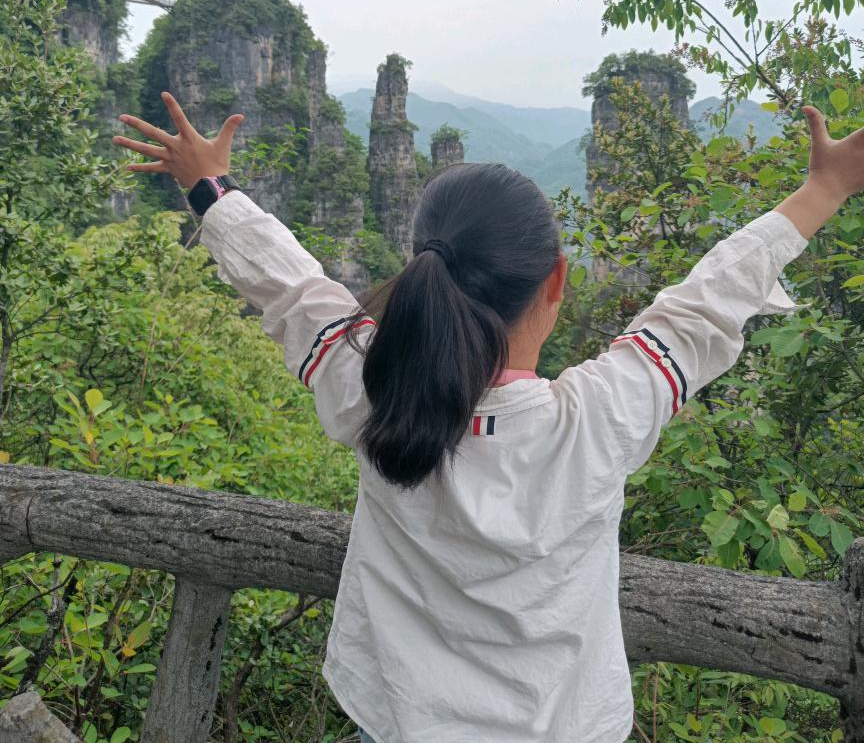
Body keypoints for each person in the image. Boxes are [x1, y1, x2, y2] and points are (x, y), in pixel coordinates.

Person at [113, 92, 863, 743]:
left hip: (397, 719)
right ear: (557, 282)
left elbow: (287, 285)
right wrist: (822, 189)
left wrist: (210, 185)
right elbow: (705, 303)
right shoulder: (597, 421)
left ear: (419, 271)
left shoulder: (372, 387)